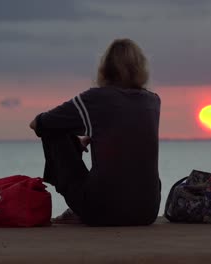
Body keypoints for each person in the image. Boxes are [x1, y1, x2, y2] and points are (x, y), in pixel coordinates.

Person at [29, 39, 161, 226]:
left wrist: (73, 142)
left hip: (102, 211)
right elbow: (127, 131)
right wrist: (89, 137)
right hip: (147, 212)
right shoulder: (153, 101)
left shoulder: (95, 98)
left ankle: (77, 208)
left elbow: (38, 124)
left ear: (105, 68)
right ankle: (81, 205)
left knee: (53, 131)